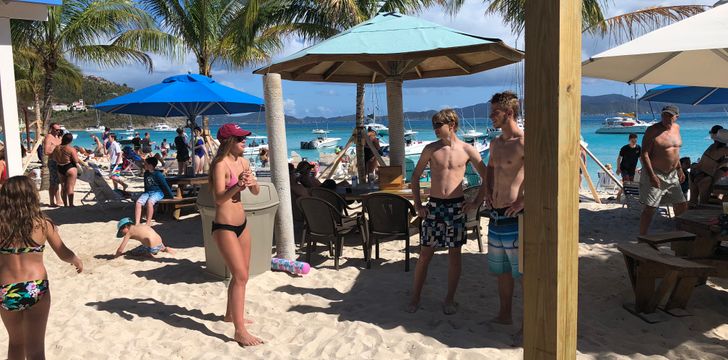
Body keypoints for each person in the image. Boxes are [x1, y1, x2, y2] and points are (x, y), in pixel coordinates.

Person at [407, 109, 487, 315]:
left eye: (437, 125)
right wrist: (418, 205)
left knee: (454, 256)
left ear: (451, 125)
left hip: (456, 207)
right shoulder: (430, 149)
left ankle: (449, 300)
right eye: (433, 125)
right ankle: (415, 297)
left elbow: (487, 177)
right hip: (434, 206)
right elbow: (415, 177)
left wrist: (476, 202)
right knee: (425, 254)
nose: (434, 129)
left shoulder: (468, 150)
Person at [0, 176, 83, 359]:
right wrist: (75, 260)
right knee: (36, 349)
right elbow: (63, 252)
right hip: (36, 287)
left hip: (5, 289)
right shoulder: (43, 224)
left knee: (15, 343)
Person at [209, 123, 263, 346]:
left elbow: (256, 191)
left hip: (242, 224)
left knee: (242, 275)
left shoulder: (244, 161)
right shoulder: (220, 165)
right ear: (228, 141)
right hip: (224, 227)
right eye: (240, 139)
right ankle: (239, 331)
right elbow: (219, 199)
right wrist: (237, 187)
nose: (244, 142)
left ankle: (230, 315)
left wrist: (251, 184)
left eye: (244, 138)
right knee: (240, 276)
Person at [483, 91, 525, 325]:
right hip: (496, 215)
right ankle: (504, 315)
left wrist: (523, 201)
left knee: (523, 274)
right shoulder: (495, 143)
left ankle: (528, 324)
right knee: (502, 272)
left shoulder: (522, 142)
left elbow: (543, 173)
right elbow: (490, 168)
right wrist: (488, 190)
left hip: (515, 216)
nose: (491, 116)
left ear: (509, 112)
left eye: (495, 112)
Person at [639, 105, 688, 235]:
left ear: (676, 117)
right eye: (664, 115)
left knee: (681, 204)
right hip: (655, 172)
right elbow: (644, 154)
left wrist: (679, 169)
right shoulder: (652, 130)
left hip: (672, 174)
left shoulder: (677, 128)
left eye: (670, 115)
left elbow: (675, 152)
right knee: (650, 208)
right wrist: (651, 176)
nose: (666, 118)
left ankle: (681, 232)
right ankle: (642, 236)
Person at [689, 126, 728, 206]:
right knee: (703, 204)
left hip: (694, 172)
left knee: (692, 202)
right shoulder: (725, 150)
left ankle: (687, 217)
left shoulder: (712, 146)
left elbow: (714, 160)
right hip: (705, 176)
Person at [135, 157, 174, 225]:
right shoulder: (146, 174)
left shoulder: (158, 174)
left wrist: (170, 195)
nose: (144, 165)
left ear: (150, 165)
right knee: (138, 203)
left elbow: (165, 185)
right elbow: (146, 186)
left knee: (150, 202)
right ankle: (137, 223)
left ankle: (148, 222)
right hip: (148, 192)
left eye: (146, 164)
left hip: (158, 192)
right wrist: (145, 195)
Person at [52, 133, 88, 207]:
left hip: (60, 167)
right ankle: (71, 204)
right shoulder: (71, 149)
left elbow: (54, 158)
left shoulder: (56, 148)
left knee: (63, 187)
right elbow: (75, 160)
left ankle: (65, 205)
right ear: (70, 140)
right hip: (69, 167)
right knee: (70, 187)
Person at [43, 123, 63, 207]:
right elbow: (46, 152)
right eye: (56, 130)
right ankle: (51, 201)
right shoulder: (48, 137)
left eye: (59, 130)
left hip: (60, 161)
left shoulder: (59, 137)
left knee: (58, 181)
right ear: (51, 129)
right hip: (53, 161)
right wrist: (54, 147)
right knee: (53, 182)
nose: (58, 131)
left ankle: (58, 199)